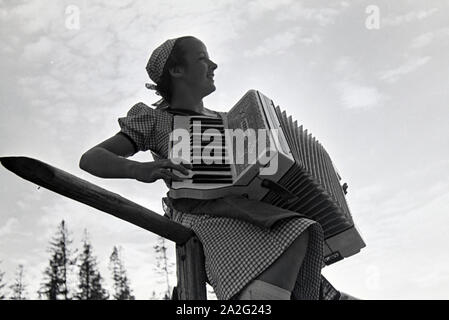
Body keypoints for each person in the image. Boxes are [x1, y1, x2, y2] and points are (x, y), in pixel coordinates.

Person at [79, 36, 349, 300]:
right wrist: (141, 170)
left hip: (245, 210)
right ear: (176, 70)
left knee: (304, 235)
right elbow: (92, 158)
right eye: (202, 58)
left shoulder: (232, 121)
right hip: (200, 213)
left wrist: (320, 186)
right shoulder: (156, 119)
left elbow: (264, 175)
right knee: (296, 233)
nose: (213, 65)